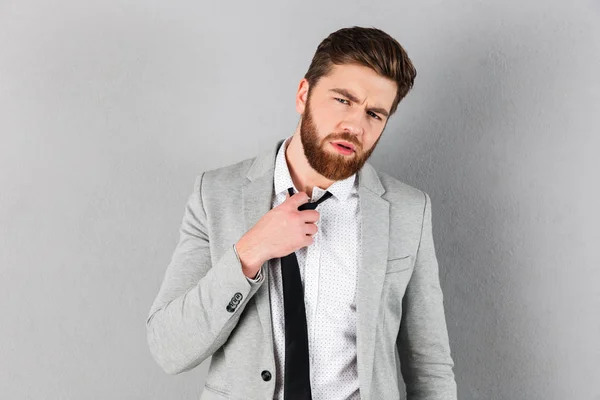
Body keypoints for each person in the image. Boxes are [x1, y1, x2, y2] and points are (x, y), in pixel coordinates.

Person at [146, 26, 457, 400]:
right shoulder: (215, 195)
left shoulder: (409, 211)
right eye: (343, 100)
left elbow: (430, 366)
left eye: (375, 114)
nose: (355, 126)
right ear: (303, 94)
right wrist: (250, 252)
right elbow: (169, 348)